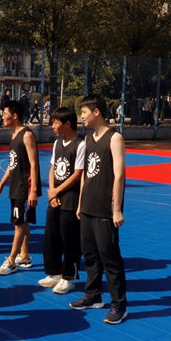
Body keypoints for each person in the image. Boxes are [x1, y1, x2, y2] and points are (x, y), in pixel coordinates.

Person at [70, 94, 128, 325]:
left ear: (96, 112)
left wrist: (116, 209)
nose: (81, 116)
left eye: (84, 112)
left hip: (105, 209)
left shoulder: (115, 138)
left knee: (110, 257)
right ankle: (93, 295)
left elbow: (119, 175)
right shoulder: (88, 139)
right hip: (87, 207)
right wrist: (80, 203)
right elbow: (85, 173)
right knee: (90, 255)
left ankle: (119, 305)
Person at [38, 107, 84, 294]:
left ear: (67, 124)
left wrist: (57, 190)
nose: (53, 126)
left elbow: (78, 174)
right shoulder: (57, 143)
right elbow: (53, 168)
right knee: (51, 238)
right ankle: (54, 273)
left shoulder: (81, 144)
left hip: (70, 200)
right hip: (55, 199)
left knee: (70, 240)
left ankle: (68, 277)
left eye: (56, 123)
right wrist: (52, 192)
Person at [0, 100, 42, 275]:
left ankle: (11, 260)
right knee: (23, 221)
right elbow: (12, 163)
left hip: (24, 187)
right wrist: (1, 184)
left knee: (18, 224)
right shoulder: (14, 135)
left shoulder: (27, 135)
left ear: (14, 116)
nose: (3, 117)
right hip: (15, 187)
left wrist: (33, 190)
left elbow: (34, 164)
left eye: (5, 114)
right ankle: (24, 256)